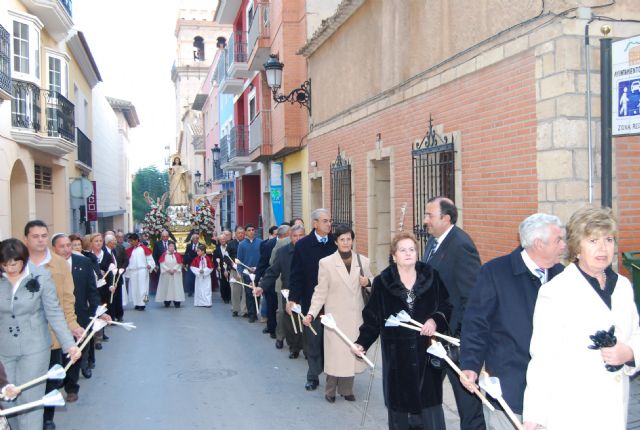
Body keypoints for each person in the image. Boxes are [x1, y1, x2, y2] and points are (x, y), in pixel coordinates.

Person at [523, 207, 640, 430]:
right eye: (593, 240)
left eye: (608, 239)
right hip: (573, 412)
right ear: (577, 248)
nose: (603, 248)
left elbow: (635, 333)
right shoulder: (556, 292)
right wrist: (534, 417)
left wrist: (630, 352)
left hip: (615, 409)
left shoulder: (623, 286)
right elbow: (543, 358)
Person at [459, 213, 566, 430]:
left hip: (553, 392)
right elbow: (476, 324)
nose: (564, 246)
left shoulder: (562, 276)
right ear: (538, 244)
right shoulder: (495, 273)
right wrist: (470, 363)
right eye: (559, 240)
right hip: (510, 391)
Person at [353, 231, 452, 429]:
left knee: (430, 412)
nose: (408, 253)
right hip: (397, 359)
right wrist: (361, 343)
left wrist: (434, 321)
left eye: (412, 249)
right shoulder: (383, 282)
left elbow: (446, 306)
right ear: (394, 255)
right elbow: (372, 318)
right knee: (401, 415)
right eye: (403, 250)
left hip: (427, 357)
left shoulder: (431, 276)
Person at [0, 238, 81, 430]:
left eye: (15, 264)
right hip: (4, 349)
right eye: (5, 265)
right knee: (7, 398)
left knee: (30, 401)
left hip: (35, 347)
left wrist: (69, 344)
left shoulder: (41, 276)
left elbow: (54, 312)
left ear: (24, 260)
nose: (10, 269)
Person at [421, 196, 486, 430]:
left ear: (446, 218)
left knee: (467, 403)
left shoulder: (461, 245)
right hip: (435, 335)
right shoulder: (433, 242)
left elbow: (472, 297)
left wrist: (462, 338)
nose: (425, 220)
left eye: (429, 215)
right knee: (425, 393)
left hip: (456, 340)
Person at [303, 224, 373, 403]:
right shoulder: (326, 263)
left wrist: (368, 282)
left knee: (352, 353)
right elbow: (320, 292)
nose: (346, 242)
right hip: (335, 319)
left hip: (355, 317)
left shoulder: (362, 261)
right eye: (342, 239)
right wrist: (311, 313)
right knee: (336, 356)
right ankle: (330, 390)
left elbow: (374, 284)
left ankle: (347, 389)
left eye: (349, 239)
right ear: (336, 241)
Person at [50, 234, 105, 398]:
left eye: (69, 245)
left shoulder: (83, 262)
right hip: (56, 317)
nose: (67, 249)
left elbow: (91, 289)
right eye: (62, 246)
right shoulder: (47, 266)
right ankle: (57, 382)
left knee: (74, 350)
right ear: (54, 248)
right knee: (57, 353)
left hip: (79, 314)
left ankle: (72, 387)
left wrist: (94, 311)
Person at [288, 208, 337, 391]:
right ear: (315, 224)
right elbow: (296, 275)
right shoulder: (303, 245)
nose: (329, 224)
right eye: (325, 221)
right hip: (312, 302)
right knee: (313, 340)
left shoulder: (335, 243)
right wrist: (293, 299)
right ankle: (313, 376)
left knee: (332, 340)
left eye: (330, 220)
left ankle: (334, 376)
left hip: (334, 301)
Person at [256, 225, 304, 356]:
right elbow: (273, 271)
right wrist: (262, 286)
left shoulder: (310, 250)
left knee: (305, 319)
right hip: (288, 292)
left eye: (301, 236)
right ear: (290, 237)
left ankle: (305, 347)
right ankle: (294, 348)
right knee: (290, 322)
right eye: (295, 236)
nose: (298, 239)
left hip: (306, 291)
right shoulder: (282, 252)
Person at [256, 225, 279, 335]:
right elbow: (262, 263)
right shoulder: (268, 245)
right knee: (271, 306)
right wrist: (258, 280)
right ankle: (272, 329)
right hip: (271, 281)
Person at [237, 224, 262, 322]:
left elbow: (263, 258)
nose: (251, 231)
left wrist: (258, 268)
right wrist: (240, 272)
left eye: (253, 229)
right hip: (247, 273)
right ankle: (251, 315)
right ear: (246, 232)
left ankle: (256, 312)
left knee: (258, 292)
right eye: (249, 230)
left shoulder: (260, 242)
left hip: (258, 272)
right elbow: (239, 260)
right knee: (249, 294)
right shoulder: (242, 244)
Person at [125, 233, 154, 311]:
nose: (130, 243)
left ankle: (142, 303)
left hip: (142, 270)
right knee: (134, 288)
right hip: (133, 271)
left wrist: (149, 265)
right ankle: (137, 303)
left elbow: (150, 259)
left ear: (136, 240)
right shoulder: (130, 250)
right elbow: (128, 261)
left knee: (142, 288)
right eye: (130, 241)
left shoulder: (144, 248)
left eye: (131, 241)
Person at [156, 241, 185, 308]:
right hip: (167, 274)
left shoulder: (177, 255)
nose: (171, 248)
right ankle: (167, 301)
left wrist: (174, 269)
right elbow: (162, 263)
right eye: (170, 246)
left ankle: (177, 301)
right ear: (168, 247)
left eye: (173, 246)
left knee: (176, 288)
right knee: (167, 287)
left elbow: (179, 263)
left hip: (176, 274)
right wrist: (168, 270)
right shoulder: (164, 255)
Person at [227, 227, 247, 317]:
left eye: (242, 233)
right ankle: (235, 309)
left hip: (245, 270)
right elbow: (226, 257)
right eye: (239, 233)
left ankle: (244, 310)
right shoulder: (231, 244)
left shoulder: (247, 243)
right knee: (235, 291)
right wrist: (232, 264)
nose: (241, 235)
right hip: (235, 270)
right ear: (235, 234)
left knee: (245, 291)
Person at [212, 233, 232, 304]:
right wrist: (217, 267)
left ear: (226, 239)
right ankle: (225, 297)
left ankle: (230, 297)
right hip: (221, 269)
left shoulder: (230, 247)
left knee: (229, 282)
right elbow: (214, 260)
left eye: (223, 239)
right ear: (219, 241)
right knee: (223, 283)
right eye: (221, 239)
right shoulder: (216, 250)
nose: (222, 241)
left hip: (230, 267)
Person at [150, 230, 170, 295]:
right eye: (163, 236)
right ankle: (162, 293)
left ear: (168, 237)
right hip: (160, 265)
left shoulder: (172, 243)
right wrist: (156, 265)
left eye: (166, 236)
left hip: (170, 265)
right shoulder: (157, 244)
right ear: (161, 237)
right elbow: (154, 255)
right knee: (161, 280)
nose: (165, 238)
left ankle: (169, 293)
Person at [183, 233, 201, 298]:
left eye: (196, 238)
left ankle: (198, 291)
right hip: (191, 264)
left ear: (198, 239)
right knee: (190, 278)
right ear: (192, 239)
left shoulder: (201, 245)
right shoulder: (189, 246)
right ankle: (190, 291)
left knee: (198, 278)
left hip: (199, 264)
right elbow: (186, 254)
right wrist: (184, 263)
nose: (195, 240)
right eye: (194, 238)